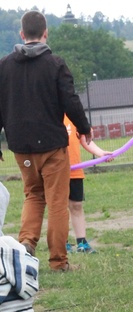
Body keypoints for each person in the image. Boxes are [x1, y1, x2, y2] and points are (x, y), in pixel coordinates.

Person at [0, 10, 92, 272]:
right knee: (57, 202)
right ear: (45, 33)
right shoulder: (55, 64)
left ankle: (27, 244)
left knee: (32, 194)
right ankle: (58, 261)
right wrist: (84, 128)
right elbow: (70, 101)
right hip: (52, 145)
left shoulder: (4, 65)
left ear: (21, 34)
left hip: (20, 146)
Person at [64, 115, 114, 254]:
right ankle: (62, 243)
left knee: (76, 206)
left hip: (75, 171)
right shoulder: (50, 113)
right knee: (59, 208)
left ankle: (82, 243)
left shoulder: (73, 116)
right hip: (56, 172)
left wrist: (101, 153)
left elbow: (86, 140)